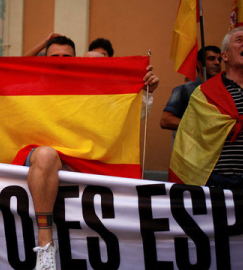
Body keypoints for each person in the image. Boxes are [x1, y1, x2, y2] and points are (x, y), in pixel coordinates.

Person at [28, 35, 159, 270]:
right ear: (43, 60)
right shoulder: (28, 85)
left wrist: (146, 91)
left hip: (83, 163)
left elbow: (126, 117)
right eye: (54, 56)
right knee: (46, 154)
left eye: (67, 57)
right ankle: (45, 243)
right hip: (43, 160)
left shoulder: (89, 89)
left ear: (76, 60)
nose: (60, 61)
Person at [169, 27, 243, 195]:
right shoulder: (204, 93)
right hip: (214, 182)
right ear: (225, 56)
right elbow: (190, 137)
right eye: (239, 40)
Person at [160, 46, 222, 136]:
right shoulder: (183, 90)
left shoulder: (223, 91)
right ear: (199, 64)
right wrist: (198, 126)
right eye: (211, 59)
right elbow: (165, 120)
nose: (217, 63)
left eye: (219, 60)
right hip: (190, 147)